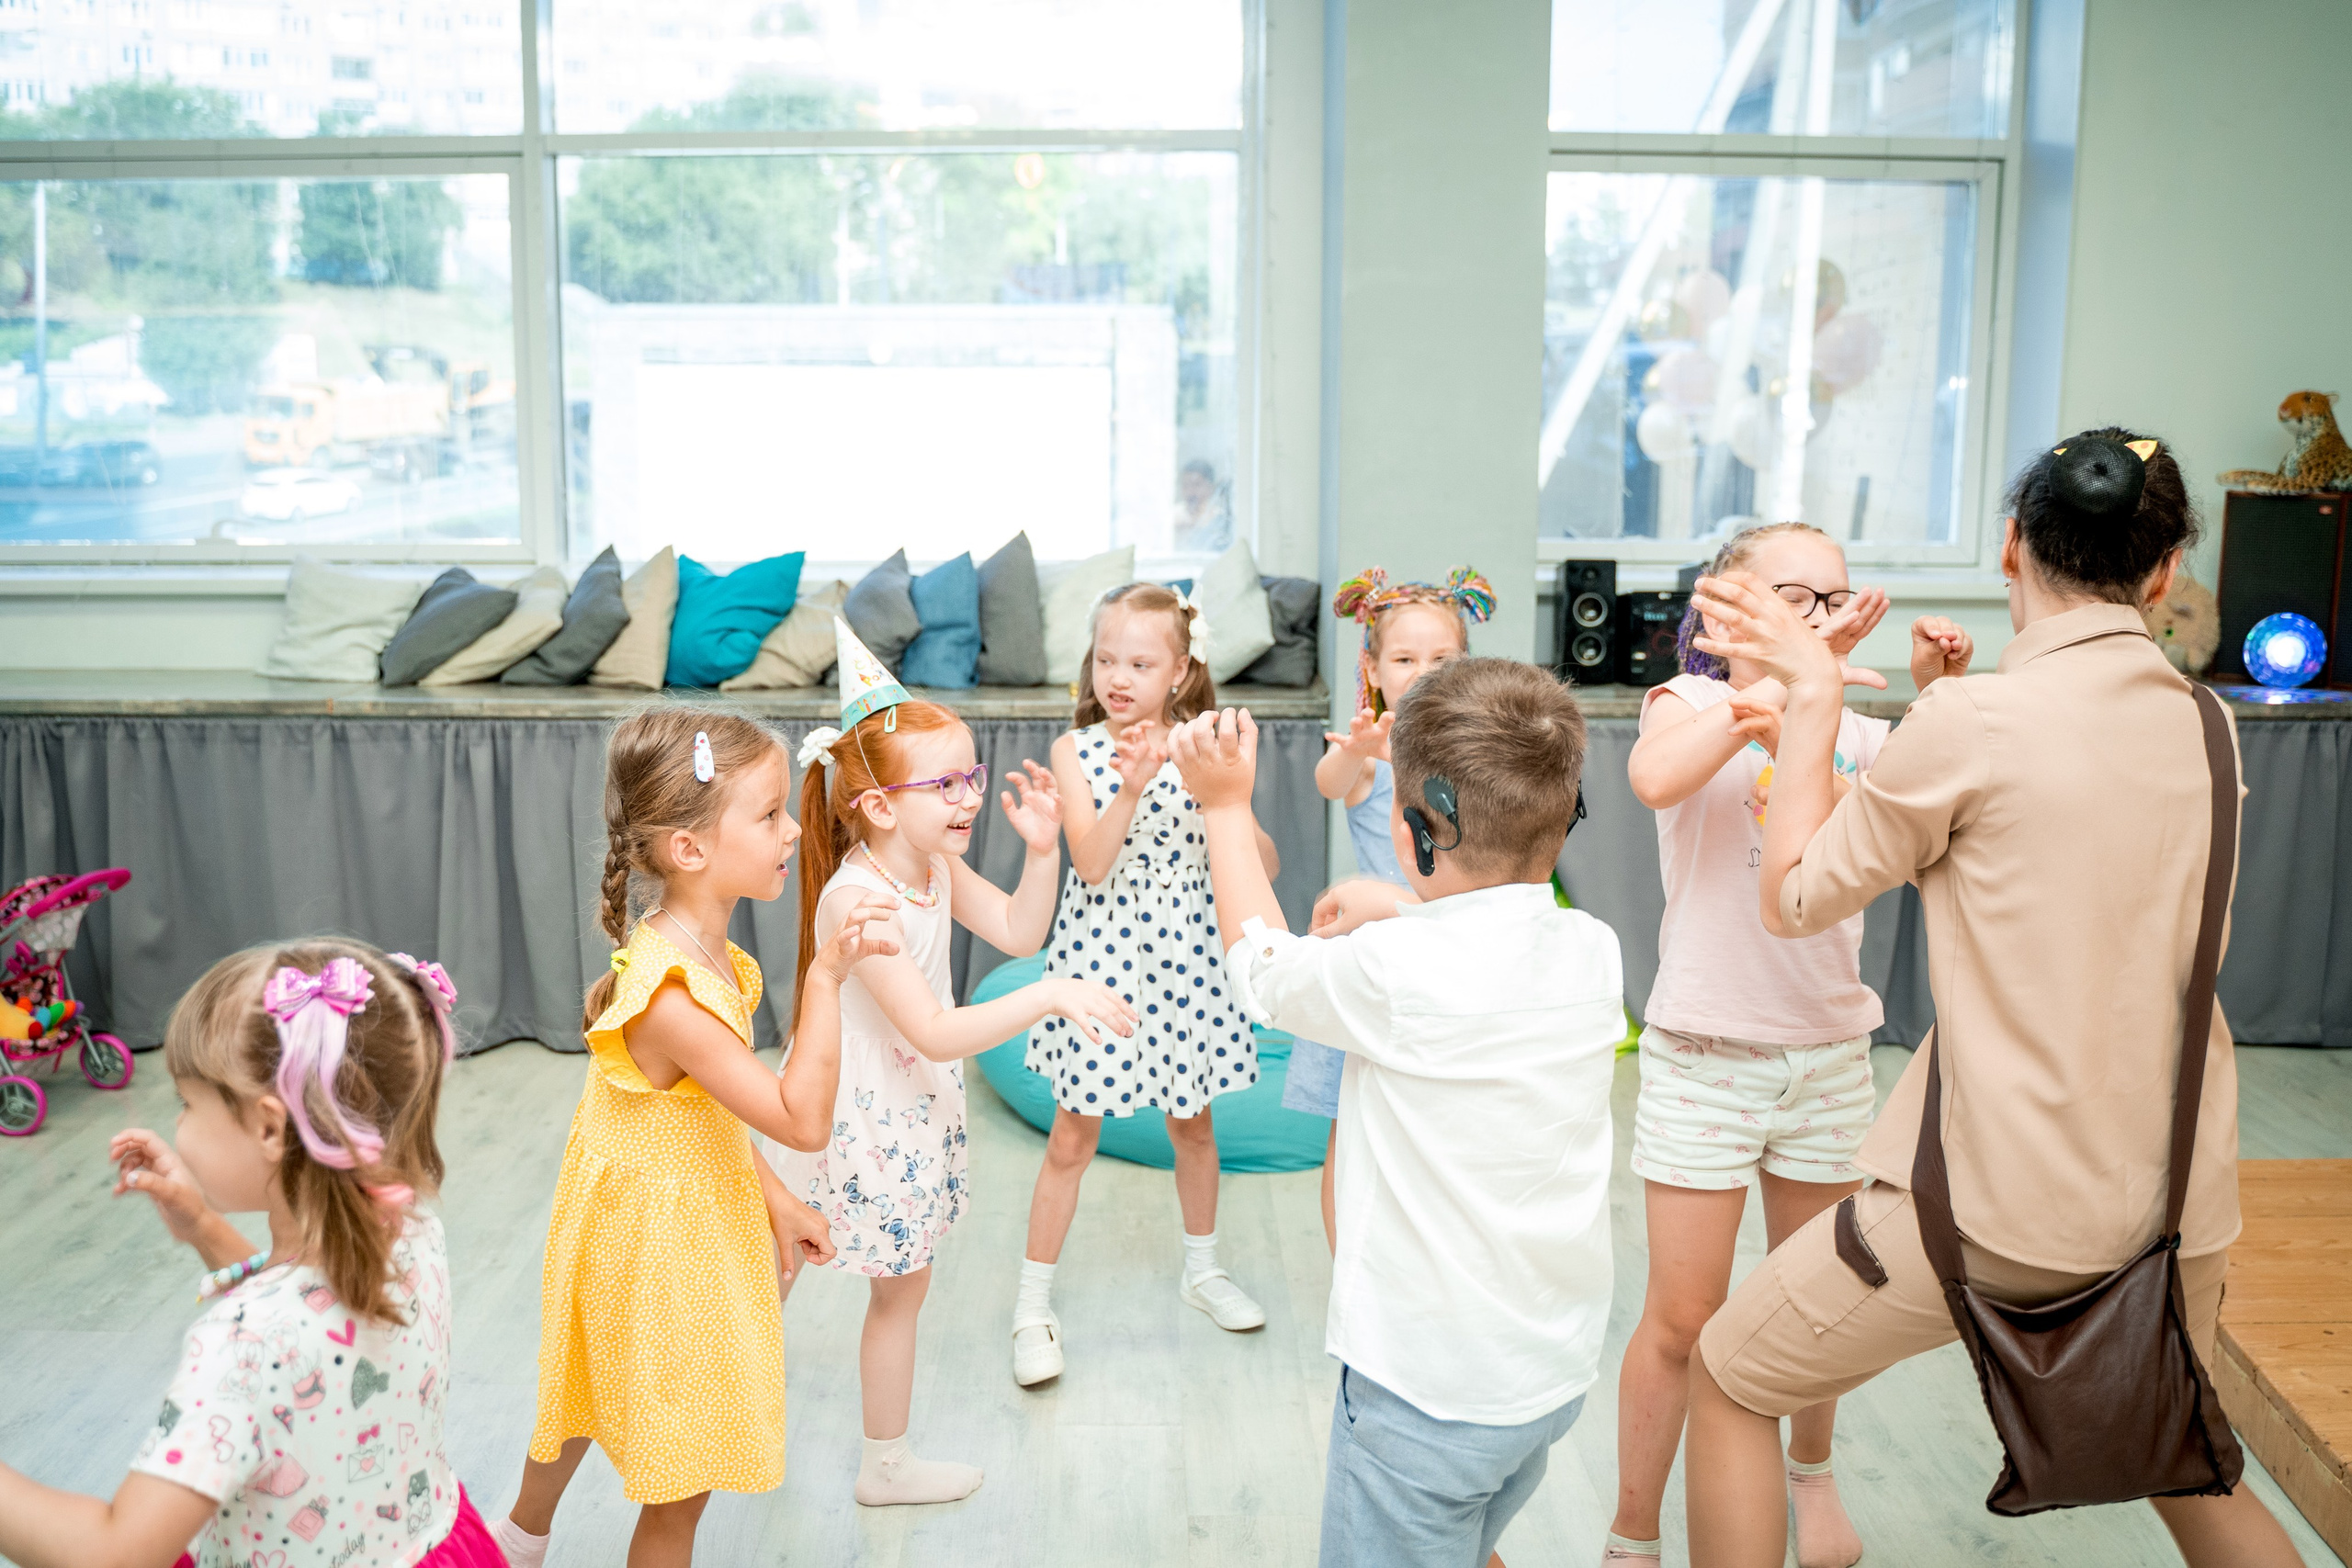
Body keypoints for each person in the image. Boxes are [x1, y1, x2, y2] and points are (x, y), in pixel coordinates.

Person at [1679, 431, 2307, 1568]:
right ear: (2164, 573)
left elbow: (1793, 898)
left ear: (2011, 544)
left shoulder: (1971, 720)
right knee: (2187, 1461)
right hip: (2176, 1205)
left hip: (1994, 1210)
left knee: (1726, 1379)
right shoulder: (2209, 721)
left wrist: (1813, 698)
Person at [1172, 659, 1624, 1568]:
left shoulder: (1393, 978)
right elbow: (1483, 939)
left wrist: (1223, 807)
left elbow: (1261, 968)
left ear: (1417, 833)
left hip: (1425, 1399)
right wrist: (1396, 903)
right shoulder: (1592, 948)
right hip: (1548, 1379)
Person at [1607, 524, 1971, 1568]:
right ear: (1725, 610)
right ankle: (1632, 1535)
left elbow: (1896, 841)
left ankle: (1810, 1482)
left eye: (1837, 597)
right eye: (1796, 596)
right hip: (1704, 1055)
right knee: (1682, 1318)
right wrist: (1757, 710)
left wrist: (1925, 693)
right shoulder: (1688, 703)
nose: (1823, 615)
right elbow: (1655, 779)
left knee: (1816, 1307)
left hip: (1824, 1056)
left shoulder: (1852, 730)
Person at [494, 707, 900, 1568]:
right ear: (690, 850)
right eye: (769, 815)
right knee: (680, 1480)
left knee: (584, 1389)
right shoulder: (673, 994)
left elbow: (699, 1113)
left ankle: (516, 1538)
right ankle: (519, 1538)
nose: (794, 829)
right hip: (654, 1248)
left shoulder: (704, 956)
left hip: (651, 1218)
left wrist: (778, 1197)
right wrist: (826, 975)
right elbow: (801, 1118)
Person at [764, 621, 1136, 1506]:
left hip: (907, 1114)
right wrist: (1050, 995)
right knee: (765, 1279)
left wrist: (1043, 854)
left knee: (902, 1284)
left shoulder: (928, 863)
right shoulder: (861, 898)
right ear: (879, 804)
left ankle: (882, 1464)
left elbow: (1016, 929)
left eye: (971, 775)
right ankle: (701, 1412)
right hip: (850, 1117)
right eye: (946, 783)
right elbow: (931, 1027)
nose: (969, 796)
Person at [0, 938, 490, 1568]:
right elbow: (312, 1328)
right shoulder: (411, 1226)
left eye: (187, 1101)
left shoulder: (241, 1341)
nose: (177, 1120)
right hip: (422, 1543)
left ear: (267, 1126)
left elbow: (115, 1551)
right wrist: (203, 1225)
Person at [1012, 582, 1282, 1387]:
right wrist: (1133, 783)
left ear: (1181, 668)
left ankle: (1202, 1270)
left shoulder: (1207, 744)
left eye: (1139, 661)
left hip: (1187, 965)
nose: (1118, 676)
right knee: (1072, 1137)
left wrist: (1223, 795)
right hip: (1101, 962)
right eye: (1105, 658)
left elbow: (1261, 863)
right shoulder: (1079, 750)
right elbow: (1091, 865)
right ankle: (1032, 1304)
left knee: (1193, 1126)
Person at [1295, 565, 1497, 1247]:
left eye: (1443, 659)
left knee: (1438, 1127)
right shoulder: (1369, 752)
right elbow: (1332, 782)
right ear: (1373, 668)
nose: (1424, 672)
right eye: (1405, 658)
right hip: (1373, 964)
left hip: (1452, 963)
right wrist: (1356, 750)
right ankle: (1344, 1270)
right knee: (1347, 1129)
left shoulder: (1480, 756)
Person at [1171, 458, 1233, 554]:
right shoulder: (1173, 516)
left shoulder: (1219, 519)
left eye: (1196, 485)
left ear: (1210, 487)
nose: (1190, 491)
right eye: (1185, 485)